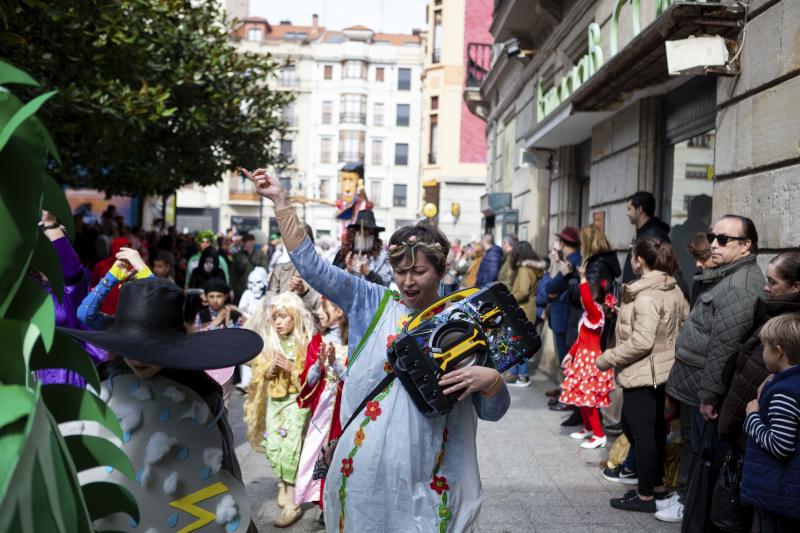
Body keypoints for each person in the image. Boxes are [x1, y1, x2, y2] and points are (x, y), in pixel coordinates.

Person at [244, 167, 509, 532]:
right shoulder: (371, 301)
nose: (407, 281)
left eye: (419, 271)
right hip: (369, 474)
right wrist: (280, 201)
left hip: (437, 474)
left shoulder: (464, 322)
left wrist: (492, 381)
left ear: (441, 269)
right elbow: (311, 266)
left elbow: (493, 410)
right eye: (400, 271)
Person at [62, 277, 262, 533]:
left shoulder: (200, 391)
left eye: (150, 348)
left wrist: (236, 514)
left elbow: (222, 462)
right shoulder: (105, 382)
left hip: (185, 515)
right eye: (129, 346)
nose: (137, 358)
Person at [665, 215, 767, 530]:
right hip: (700, 387)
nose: (713, 244)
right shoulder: (727, 276)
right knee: (700, 456)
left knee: (707, 460)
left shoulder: (740, 285)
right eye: (713, 237)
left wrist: (708, 397)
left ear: (746, 245)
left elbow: (723, 349)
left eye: (723, 240)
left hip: (710, 395)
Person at [596, 238, 689, 512]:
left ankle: (646, 495)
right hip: (660, 370)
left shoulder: (646, 295)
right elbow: (683, 322)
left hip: (644, 371)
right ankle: (656, 487)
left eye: (633, 256)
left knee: (641, 433)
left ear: (640, 260)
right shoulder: (671, 287)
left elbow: (642, 342)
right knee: (650, 431)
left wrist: (607, 358)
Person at [243, 291, 315, 527]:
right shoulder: (270, 343)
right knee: (274, 444)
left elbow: (311, 375)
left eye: (284, 317)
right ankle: (284, 484)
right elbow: (260, 370)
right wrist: (272, 369)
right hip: (275, 400)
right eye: (276, 318)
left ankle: (293, 500)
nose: (279, 322)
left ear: (295, 317)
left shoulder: (305, 342)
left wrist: (291, 366)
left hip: (296, 401)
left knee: (291, 446)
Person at [740, 314, 800, 532]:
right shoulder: (788, 382)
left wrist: (752, 416)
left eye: (764, 347)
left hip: (778, 494)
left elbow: (781, 445)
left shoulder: (785, 391)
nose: (761, 353)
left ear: (778, 351)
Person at [34, 210, 107, 386]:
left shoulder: (72, 285)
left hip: (66, 375)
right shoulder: (26, 283)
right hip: (30, 374)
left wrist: (50, 224)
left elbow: (68, 265)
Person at [295, 298, 349, 517]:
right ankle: (317, 498)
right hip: (322, 407)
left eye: (323, 308)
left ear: (339, 312)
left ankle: (333, 503)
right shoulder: (317, 341)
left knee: (339, 453)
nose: (318, 312)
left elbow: (353, 379)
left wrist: (335, 363)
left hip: (343, 408)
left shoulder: (352, 342)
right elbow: (308, 381)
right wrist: (318, 364)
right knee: (315, 450)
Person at [558, 263, 615, 449]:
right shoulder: (588, 314)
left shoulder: (594, 312)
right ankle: (589, 428)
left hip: (591, 362)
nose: (581, 300)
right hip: (582, 359)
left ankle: (599, 435)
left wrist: (582, 277)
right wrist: (570, 354)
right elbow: (580, 339)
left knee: (589, 401)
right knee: (581, 398)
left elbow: (586, 298)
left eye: (584, 297)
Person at [545, 227, 582, 420]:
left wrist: (553, 291)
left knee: (567, 362)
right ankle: (566, 394)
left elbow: (551, 286)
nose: (556, 247)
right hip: (561, 316)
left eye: (558, 242)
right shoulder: (569, 260)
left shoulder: (572, 261)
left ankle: (569, 399)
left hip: (565, 317)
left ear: (564, 244)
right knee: (565, 362)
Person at [506, 241, 545, 387]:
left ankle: (522, 376)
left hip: (523, 309)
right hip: (528, 309)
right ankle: (517, 374)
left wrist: (508, 299)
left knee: (520, 344)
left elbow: (523, 291)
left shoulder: (523, 269)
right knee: (520, 343)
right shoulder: (531, 267)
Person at [580, 223, 622, 351]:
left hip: (595, 323)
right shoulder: (606, 261)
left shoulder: (596, 265)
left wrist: (575, 278)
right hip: (605, 319)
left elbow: (588, 299)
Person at [332, 210, 393, 287]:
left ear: (374, 234)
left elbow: (385, 285)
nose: (365, 235)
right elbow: (332, 279)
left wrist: (368, 273)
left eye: (369, 231)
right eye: (362, 231)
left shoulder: (382, 255)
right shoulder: (344, 252)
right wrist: (347, 270)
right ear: (355, 232)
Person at [622, 192, 670, 284]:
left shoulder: (653, 236)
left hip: (644, 295)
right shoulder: (642, 234)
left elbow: (655, 272)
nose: (627, 213)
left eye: (629, 209)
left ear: (639, 209)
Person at [185, 245, 227, 323]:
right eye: (206, 261)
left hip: (216, 309)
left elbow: (225, 293)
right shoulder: (196, 272)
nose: (208, 265)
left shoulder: (220, 273)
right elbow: (190, 295)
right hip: (198, 308)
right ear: (202, 261)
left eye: (211, 262)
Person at [90, 235, 130, 315]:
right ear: (115, 248)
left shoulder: (131, 268)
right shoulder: (101, 265)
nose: (126, 253)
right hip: (103, 307)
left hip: (122, 309)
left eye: (128, 250)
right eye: (122, 249)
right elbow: (93, 285)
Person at [231, 233, 268, 303]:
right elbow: (233, 273)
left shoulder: (260, 254)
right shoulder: (238, 255)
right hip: (241, 287)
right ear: (244, 243)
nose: (250, 244)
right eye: (248, 242)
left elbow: (265, 270)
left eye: (252, 242)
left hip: (257, 287)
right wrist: (233, 287)